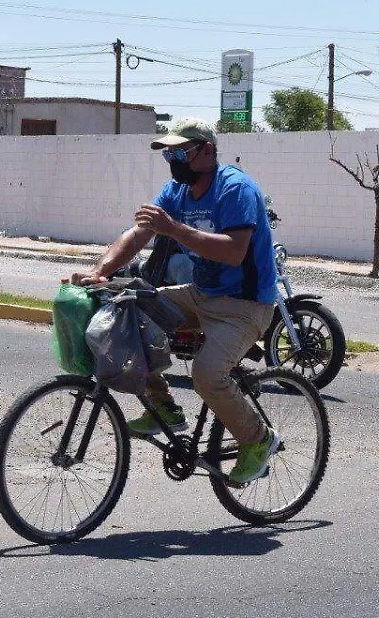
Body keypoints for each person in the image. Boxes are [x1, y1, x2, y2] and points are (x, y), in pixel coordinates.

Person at [64, 118, 280, 485]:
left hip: (245, 305)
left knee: (207, 375)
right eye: (168, 154)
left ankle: (260, 439)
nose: (173, 159)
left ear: (208, 151)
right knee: (130, 311)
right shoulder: (176, 193)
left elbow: (234, 252)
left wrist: (173, 229)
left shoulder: (236, 189)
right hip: (202, 295)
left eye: (181, 151)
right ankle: (163, 406)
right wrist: (100, 272)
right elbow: (136, 235)